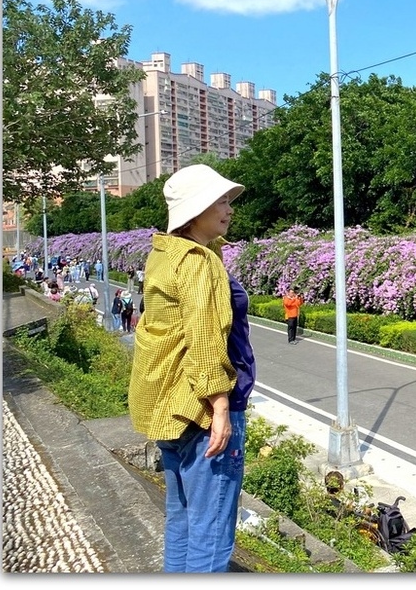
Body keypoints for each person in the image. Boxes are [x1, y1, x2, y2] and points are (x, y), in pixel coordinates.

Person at [128, 163, 247, 572]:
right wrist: (219, 409)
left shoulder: (163, 254)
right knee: (211, 533)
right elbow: (204, 337)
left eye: (229, 200)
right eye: (220, 200)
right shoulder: (198, 262)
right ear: (195, 210)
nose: (229, 208)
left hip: (168, 408)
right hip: (200, 411)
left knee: (181, 521)